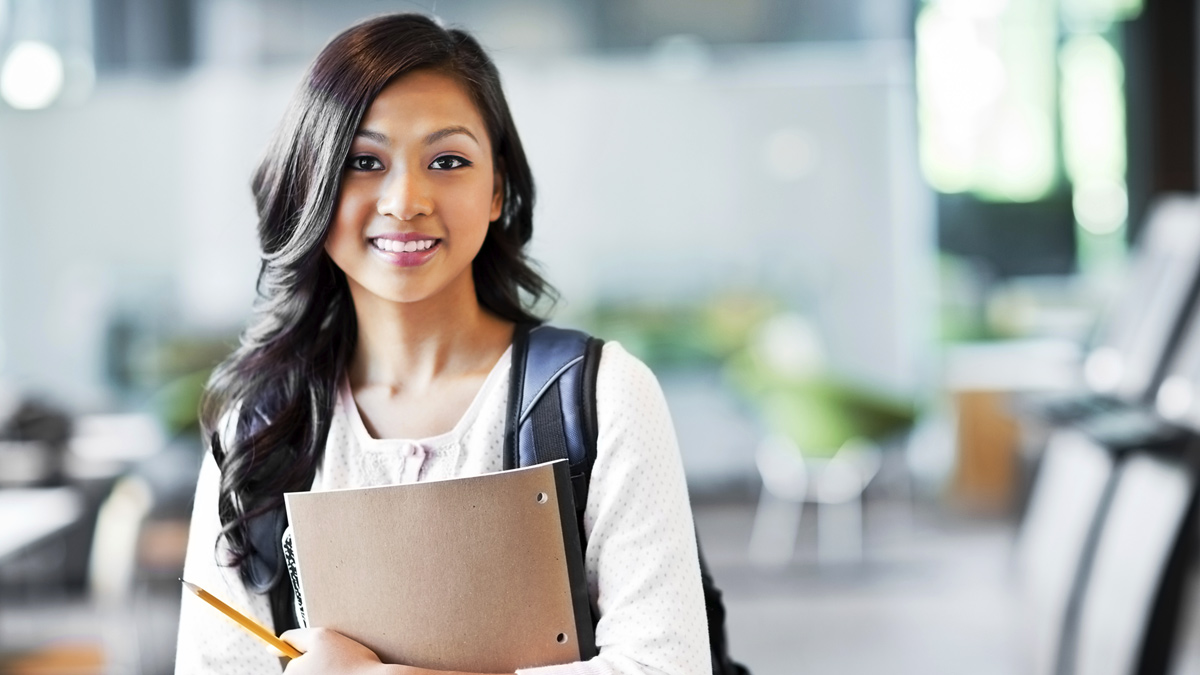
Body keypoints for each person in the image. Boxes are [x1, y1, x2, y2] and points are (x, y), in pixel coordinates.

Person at [175, 13, 709, 675]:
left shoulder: (600, 395)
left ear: (497, 190)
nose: (406, 199)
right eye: (363, 162)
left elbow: (667, 666)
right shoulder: (258, 428)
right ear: (312, 181)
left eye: (448, 160)